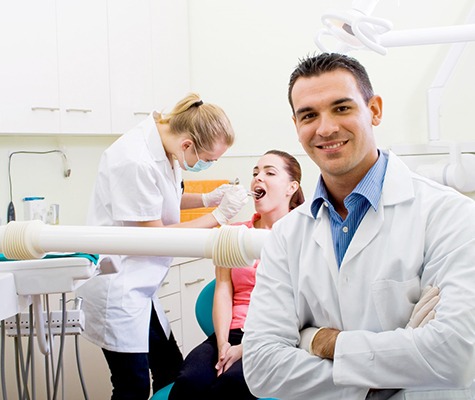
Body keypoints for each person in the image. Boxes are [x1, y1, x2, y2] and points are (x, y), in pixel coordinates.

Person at [242, 53, 475, 400]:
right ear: (296, 125)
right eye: (309, 115)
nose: (325, 128)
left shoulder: (450, 215)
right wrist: (388, 371)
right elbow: (261, 367)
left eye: (341, 108)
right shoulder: (287, 235)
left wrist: (320, 340)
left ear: (375, 110)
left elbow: (455, 354)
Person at [76, 93, 248, 400]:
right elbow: (155, 235)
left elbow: (161, 199)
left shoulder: (166, 145)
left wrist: (206, 200)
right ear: (188, 145)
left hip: (142, 286)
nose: (207, 165)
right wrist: (217, 216)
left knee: (170, 370)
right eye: (207, 160)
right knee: (133, 386)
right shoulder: (134, 159)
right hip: (119, 284)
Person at [168, 150, 305, 400]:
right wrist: (223, 345)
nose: (258, 178)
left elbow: (302, 307)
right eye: (255, 173)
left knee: (229, 388)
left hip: (274, 338)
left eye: (269, 173)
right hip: (230, 333)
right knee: (188, 383)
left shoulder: (303, 237)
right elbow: (223, 289)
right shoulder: (233, 234)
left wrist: (245, 349)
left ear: (291, 187)